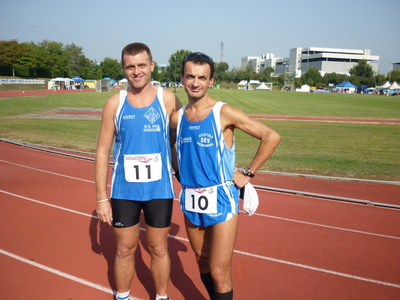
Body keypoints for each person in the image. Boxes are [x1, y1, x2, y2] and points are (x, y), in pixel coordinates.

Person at [170, 52, 281, 300]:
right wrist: (178, 168)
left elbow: (271, 136)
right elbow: (171, 144)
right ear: (182, 79)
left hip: (221, 197)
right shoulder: (177, 118)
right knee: (202, 261)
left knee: (220, 271)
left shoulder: (223, 113)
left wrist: (249, 173)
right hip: (190, 196)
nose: (195, 82)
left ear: (211, 81)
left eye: (202, 77)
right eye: (190, 76)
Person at [95, 42, 182, 300]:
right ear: (123, 69)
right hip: (124, 190)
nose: (136, 71)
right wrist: (101, 198)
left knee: (158, 248)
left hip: (159, 189)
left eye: (142, 65)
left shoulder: (167, 99)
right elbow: (102, 151)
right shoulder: (114, 103)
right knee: (124, 249)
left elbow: (180, 139)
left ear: (152, 66)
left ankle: (162, 297)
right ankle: (122, 297)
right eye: (130, 66)